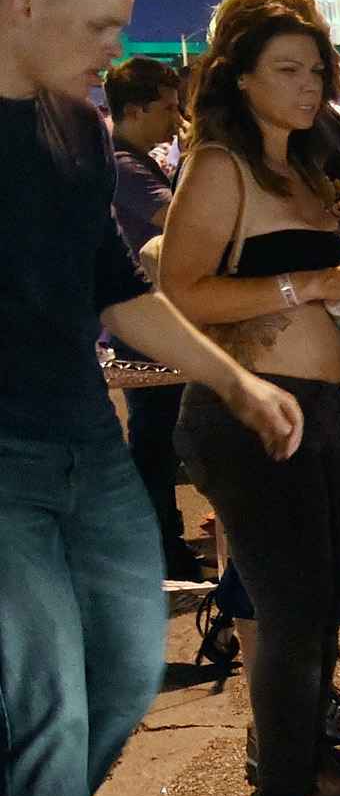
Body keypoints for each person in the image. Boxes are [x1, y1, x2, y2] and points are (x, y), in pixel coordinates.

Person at [2, 0, 304, 796]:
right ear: (26, 3)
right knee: (42, 701)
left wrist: (231, 378)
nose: (118, 51)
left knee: (129, 672)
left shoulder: (75, 134)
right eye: (102, 25)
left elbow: (119, 290)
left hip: (83, 439)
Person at [158, 0, 340, 796]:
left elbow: (314, 270)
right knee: (291, 611)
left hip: (323, 406)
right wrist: (317, 283)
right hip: (252, 412)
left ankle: (308, 767)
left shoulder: (297, 165)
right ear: (242, 77)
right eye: (290, 69)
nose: (312, 86)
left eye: (319, 70)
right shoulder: (220, 164)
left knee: (321, 600)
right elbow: (180, 289)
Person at [101, 54, 192, 569]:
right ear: (133, 110)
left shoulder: (137, 157)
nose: (176, 119)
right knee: (156, 441)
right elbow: (182, 222)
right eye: (167, 108)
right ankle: (163, 550)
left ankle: (165, 545)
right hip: (142, 320)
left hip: (150, 314)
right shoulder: (124, 164)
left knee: (160, 438)